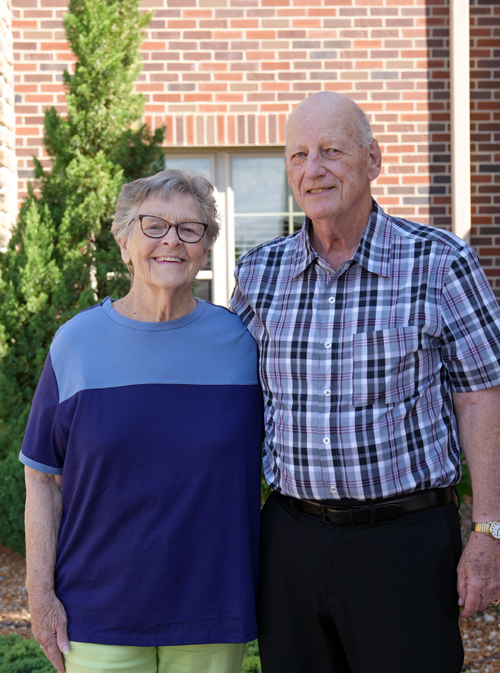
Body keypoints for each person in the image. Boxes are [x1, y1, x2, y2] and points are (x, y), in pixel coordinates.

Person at [230, 91, 500, 673]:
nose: (313, 169)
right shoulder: (259, 273)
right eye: (298, 155)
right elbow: (230, 400)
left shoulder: (439, 262)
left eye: (331, 151)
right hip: (289, 540)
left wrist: (489, 531)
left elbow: (484, 398)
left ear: (373, 160)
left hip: (402, 542)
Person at [20, 169, 263, 673]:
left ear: (203, 250)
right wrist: (40, 595)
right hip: (98, 612)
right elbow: (42, 477)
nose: (171, 240)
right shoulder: (75, 343)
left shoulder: (241, 344)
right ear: (125, 243)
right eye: (153, 225)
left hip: (211, 608)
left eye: (189, 229)